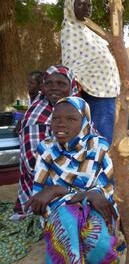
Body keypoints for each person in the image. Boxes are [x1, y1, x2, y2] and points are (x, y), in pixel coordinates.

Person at [27, 97, 121, 263]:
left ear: (84, 121)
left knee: (97, 240)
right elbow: (40, 198)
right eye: (56, 118)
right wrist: (82, 194)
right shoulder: (46, 149)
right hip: (59, 209)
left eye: (70, 119)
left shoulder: (99, 147)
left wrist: (58, 190)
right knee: (67, 219)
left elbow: (104, 190)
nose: (61, 124)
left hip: (95, 208)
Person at [12, 65, 79, 220]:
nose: (54, 88)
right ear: (43, 87)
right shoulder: (37, 120)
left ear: (72, 86)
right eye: (49, 84)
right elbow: (33, 166)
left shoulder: (78, 110)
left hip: (74, 178)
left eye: (61, 84)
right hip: (43, 191)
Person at [61, 0, 120, 144]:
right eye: (80, 4)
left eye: (88, 5)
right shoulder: (70, 30)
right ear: (70, 6)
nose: (86, 8)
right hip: (93, 92)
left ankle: (99, 164)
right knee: (98, 139)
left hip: (105, 90)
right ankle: (97, 166)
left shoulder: (88, 31)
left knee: (104, 135)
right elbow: (72, 65)